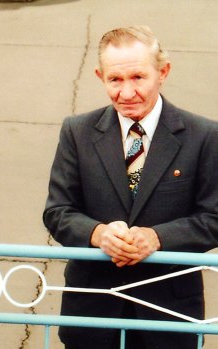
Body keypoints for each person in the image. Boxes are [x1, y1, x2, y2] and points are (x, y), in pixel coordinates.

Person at [43, 25, 218, 349]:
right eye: (115, 80)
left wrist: (157, 238)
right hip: (92, 314)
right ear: (100, 76)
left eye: (138, 77)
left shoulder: (204, 135)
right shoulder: (77, 132)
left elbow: (214, 217)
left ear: (163, 72)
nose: (126, 93)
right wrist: (98, 235)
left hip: (168, 317)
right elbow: (57, 211)